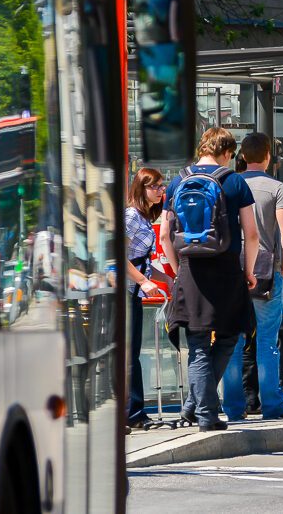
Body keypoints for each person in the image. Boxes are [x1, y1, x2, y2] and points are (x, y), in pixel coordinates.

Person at [160, 128, 259, 431]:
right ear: (228, 152)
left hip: (190, 270)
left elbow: (164, 235)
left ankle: (195, 405)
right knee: (230, 336)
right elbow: (251, 234)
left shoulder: (178, 181)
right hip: (227, 268)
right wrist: (249, 270)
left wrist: (179, 271)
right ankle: (205, 414)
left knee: (198, 344)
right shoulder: (234, 181)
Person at [222, 132, 283, 421]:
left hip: (231, 271)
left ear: (242, 156)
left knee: (232, 341)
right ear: (268, 156)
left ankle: (233, 407)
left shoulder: (228, 184)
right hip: (266, 271)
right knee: (267, 341)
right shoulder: (277, 188)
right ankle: (272, 403)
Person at [124, 167, 166, 428]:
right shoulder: (130, 217)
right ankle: (132, 413)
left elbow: (144, 261)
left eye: (162, 186)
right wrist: (143, 281)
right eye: (155, 187)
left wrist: (167, 278)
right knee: (130, 355)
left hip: (134, 293)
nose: (161, 191)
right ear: (142, 189)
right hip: (126, 293)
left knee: (133, 353)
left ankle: (134, 412)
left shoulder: (143, 218)